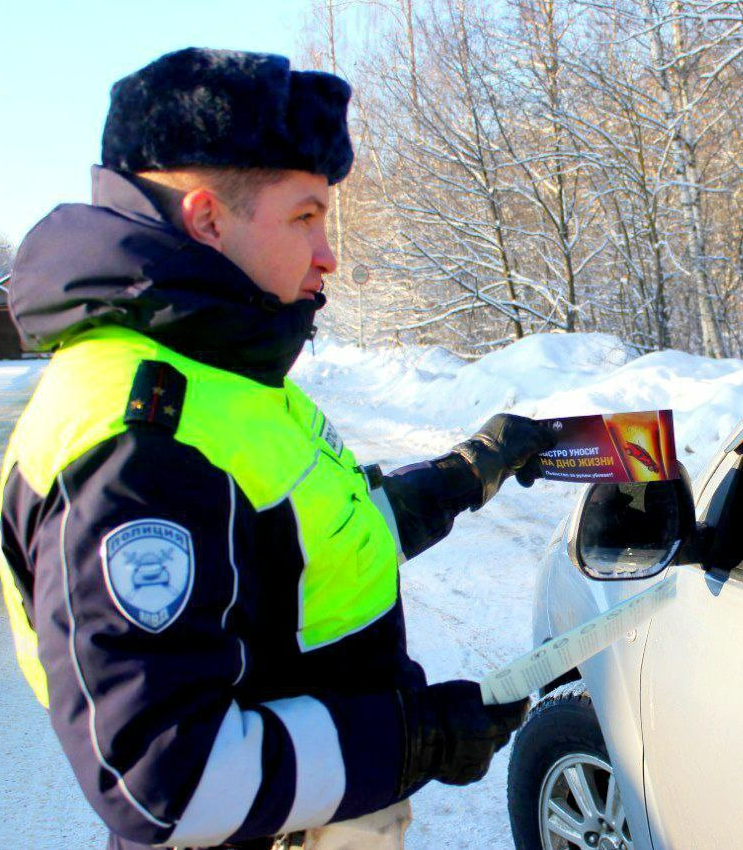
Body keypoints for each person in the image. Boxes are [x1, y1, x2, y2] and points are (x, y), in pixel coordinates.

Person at [0, 48, 557, 849]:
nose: (328, 253)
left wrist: (465, 476)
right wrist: (417, 738)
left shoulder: (219, 372)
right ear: (206, 220)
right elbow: (163, 779)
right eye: (305, 216)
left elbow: (296, 552)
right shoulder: (136, 443)